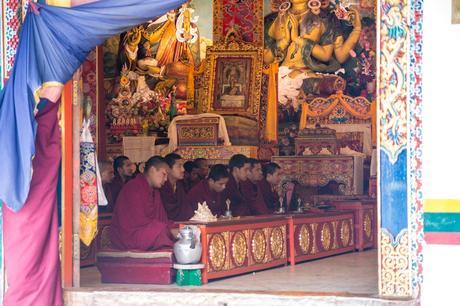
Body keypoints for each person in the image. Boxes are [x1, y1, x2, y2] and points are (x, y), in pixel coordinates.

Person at [110, 156, 176, 251]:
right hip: (129, 236)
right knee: (165, 236)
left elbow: (161, 219)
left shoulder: (155, 191)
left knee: (176, 233)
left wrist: (173, 228)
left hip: (147, 233)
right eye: (163, 174)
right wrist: (165, 229)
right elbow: (139, 222)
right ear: (152, 170)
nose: (166, 179)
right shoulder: (133, 188)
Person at [160, 153, 193, 221]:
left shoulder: (179, 185)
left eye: (182, 166)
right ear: (168, 169)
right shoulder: (161, 187)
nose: (183, 169)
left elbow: (186, 208)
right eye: (179, 166)